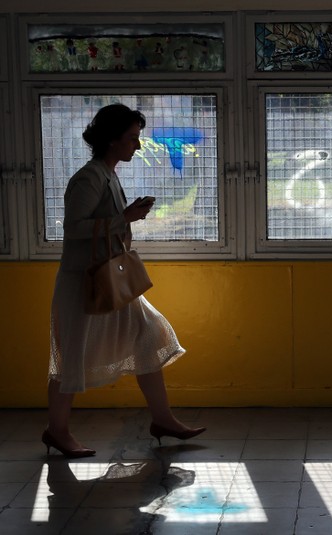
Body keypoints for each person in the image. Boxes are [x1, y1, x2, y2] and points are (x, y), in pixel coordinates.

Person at [44, 104, 206, 458]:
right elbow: (73, 230)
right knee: (71, 356)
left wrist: (125, 216)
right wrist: (125, 217)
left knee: (150, 335)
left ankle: (163, 419)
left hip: (110, 278)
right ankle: (57, 431)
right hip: (85, 283)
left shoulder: (108, 175)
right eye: (133, 138)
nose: (138, 145)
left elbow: (105, 223)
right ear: (112, 140)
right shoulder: (88, 178)